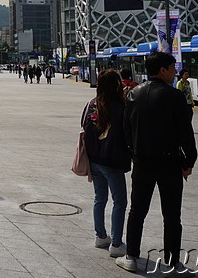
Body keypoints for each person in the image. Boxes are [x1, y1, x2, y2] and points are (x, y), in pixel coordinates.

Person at [116, 51, 197, 275]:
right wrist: (189, 161)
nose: (175, 73)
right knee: (171, 214)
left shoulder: (133, 94)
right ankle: (173, 262)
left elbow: (126, 130)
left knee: (137, 210)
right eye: (172, 68)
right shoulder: (175, 97)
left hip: (142, 162)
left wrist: (133, 153)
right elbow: (186, 134)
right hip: (169, 162)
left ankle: (131, 256)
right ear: (162, 70)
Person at [83, 69, 130, 259]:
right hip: (112, 160)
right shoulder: (119, 105)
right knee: (119, 201)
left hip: (94, 159)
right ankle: (116, 243)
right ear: (116, 85)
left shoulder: (91, 104)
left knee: (99, 198)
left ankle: (100, 236)